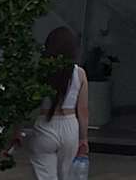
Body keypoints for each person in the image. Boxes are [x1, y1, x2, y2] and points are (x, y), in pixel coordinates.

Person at [27, 26, 90, 180]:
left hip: (45, 125)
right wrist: (83, 138)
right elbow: (83, 110)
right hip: (70, 126)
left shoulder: (40, 71)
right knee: (68, 176)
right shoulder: (79, 74)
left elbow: (25, 103)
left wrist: (16, 130)